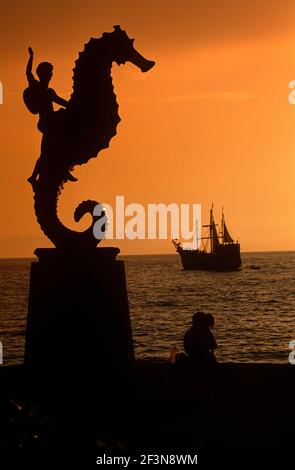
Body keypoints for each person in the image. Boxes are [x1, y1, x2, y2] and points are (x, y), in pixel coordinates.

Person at [24, 47, 77, 187]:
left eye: (51, 73)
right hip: (47, 123)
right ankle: (62, 169)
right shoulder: (37, 87)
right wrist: (31, 58)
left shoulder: (50, 91)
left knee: (47, 152)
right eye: (49, 73)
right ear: (44, 74)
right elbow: (28, 73)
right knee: (51, 149)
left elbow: (61, 101)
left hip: (52, 122)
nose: (51, 75)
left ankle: (34, 176)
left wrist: (73, 105)